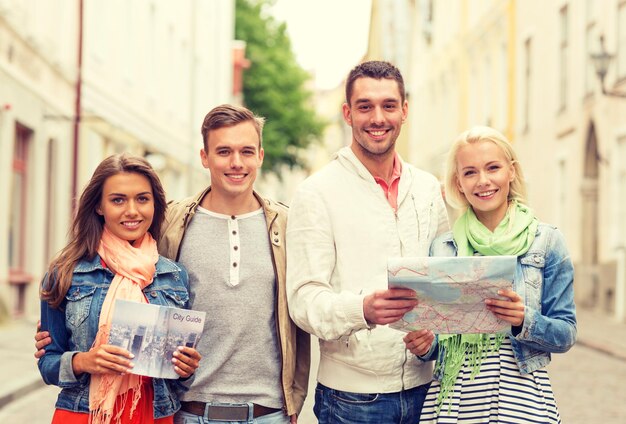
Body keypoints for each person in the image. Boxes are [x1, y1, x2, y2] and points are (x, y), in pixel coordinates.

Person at [37, 105, 310, 424]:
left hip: (268, 413)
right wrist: (77, 357)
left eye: (246, 151)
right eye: (223, 151)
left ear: (260, 156)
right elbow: (51, 357)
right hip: (184, 413)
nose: (236, 162)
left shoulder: (289, 227)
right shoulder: (174, 226)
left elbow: (306, 310)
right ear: (205, 157)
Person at [286, 60, 449, 423]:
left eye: (389, 105)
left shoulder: (427, 190)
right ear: (347, 113)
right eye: (365, 106)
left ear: (405, 110)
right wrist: (362, 309)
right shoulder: (316, 193)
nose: (378, 117)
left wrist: (434, 339)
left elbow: (443, 280)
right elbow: (303, 299)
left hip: (429, 391)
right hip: (353, 400)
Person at [405, 126, 576, 423]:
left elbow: (566, 333)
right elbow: (438, 339)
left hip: (522, 399)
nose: (483, 181)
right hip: (454, 402)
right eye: (470, 172)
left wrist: (523, 320)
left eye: (493, 168)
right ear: (458, 183)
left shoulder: (546, 241)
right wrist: (425, 346)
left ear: (511, 171)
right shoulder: (443, 248)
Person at [38, 154, 201, 424]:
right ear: (99, 206)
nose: (132, 211)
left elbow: (180, 374)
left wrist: (185, 369)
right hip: (84, 414)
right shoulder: (65, 274)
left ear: (154, 204)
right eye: (118, 200)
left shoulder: (174, 276)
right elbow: (47, 364)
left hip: (154, 414)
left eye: (142, 199)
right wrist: (83, 361)